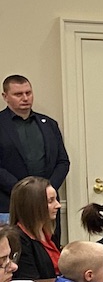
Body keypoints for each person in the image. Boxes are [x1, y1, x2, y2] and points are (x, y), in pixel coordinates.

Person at [0, 76, 69, 222]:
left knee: (49, 244)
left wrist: (47, 189)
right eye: (18, 94)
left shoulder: (49, 124)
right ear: (5, 96)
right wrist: (25, 192)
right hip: (10, 204)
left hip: (47, 204)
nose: (25, 98)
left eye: (28, 93)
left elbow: (62, 161)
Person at [10, 175, 61, 279]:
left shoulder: (48, 233)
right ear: (33, 205)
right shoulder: (19, 240)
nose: (58, 205)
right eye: (50, 201)